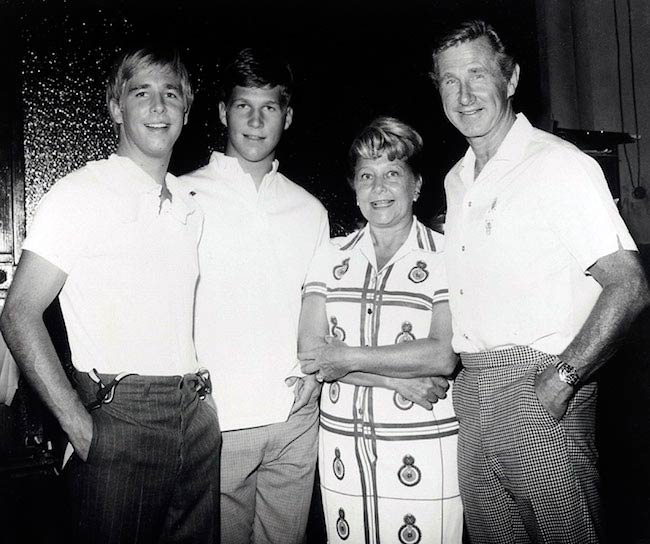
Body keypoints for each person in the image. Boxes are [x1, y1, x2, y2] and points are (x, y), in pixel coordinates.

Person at [431, 19, 650, 543]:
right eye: (448, 80)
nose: (464, 95)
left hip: (539, 387)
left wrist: (563, 380)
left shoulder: (557, 165)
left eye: (478, 75)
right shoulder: (457, 179)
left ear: (511, 80)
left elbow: (629, 284)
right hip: (473, 391)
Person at [0, 46, 221, 543]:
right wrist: (81, 428)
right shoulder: (81, 193)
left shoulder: (189, 205)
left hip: (196, 414)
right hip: (121, 417)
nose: (159, 107)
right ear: (116, 106)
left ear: (186, 109)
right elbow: (18, 314)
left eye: (171, 95)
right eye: (142, 93)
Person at [181, 48, 329, 544]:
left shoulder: (309, 210)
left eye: (269, 108)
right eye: (244, 106)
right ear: (223, 112)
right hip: (219, 423)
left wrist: (315, 372)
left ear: (287, 117)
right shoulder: (183, 196)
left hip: (295, 418)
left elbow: (320, 306)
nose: (255, 120)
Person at [299, 116, 462, 544]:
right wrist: (392, 378)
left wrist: (346, 359)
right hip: (343, 450)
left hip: (423, 446)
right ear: (353, 188)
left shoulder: (448, 254)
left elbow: (441, 354)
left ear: (417, 184)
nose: (379, 188)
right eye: (366, 176)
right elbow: (311, 353)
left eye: (392, 173)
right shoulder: (329, 255)